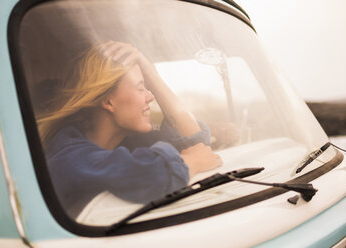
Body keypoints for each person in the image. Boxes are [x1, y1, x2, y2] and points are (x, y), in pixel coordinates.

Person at [37, 41, 222, 218]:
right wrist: (193, 161)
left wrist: (150, 73)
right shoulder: (67, 156)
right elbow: (153, 174)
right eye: (141, 87)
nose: (151, 96)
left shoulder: (127, 141)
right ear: (108, 101)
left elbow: (195, 142)